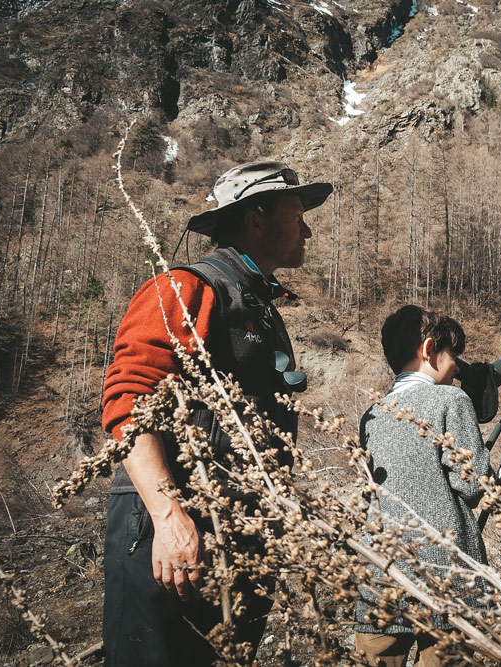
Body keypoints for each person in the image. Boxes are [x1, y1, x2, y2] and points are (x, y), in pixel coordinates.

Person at [100, 160, 332, 666]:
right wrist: (168, 517)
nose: (308, 229)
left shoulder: (258, 305)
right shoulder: (186, 289)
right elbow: (128, 400)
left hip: (236, 534)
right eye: (297, 215)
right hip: (174, 528)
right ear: (255, 219)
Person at [354, 305, 495, 667]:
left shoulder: (372, 413)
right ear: (429, 349)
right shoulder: (451, 400)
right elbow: (472, 486)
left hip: (380, 573)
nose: (458, 369)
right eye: (454, 357)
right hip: (446, 575)